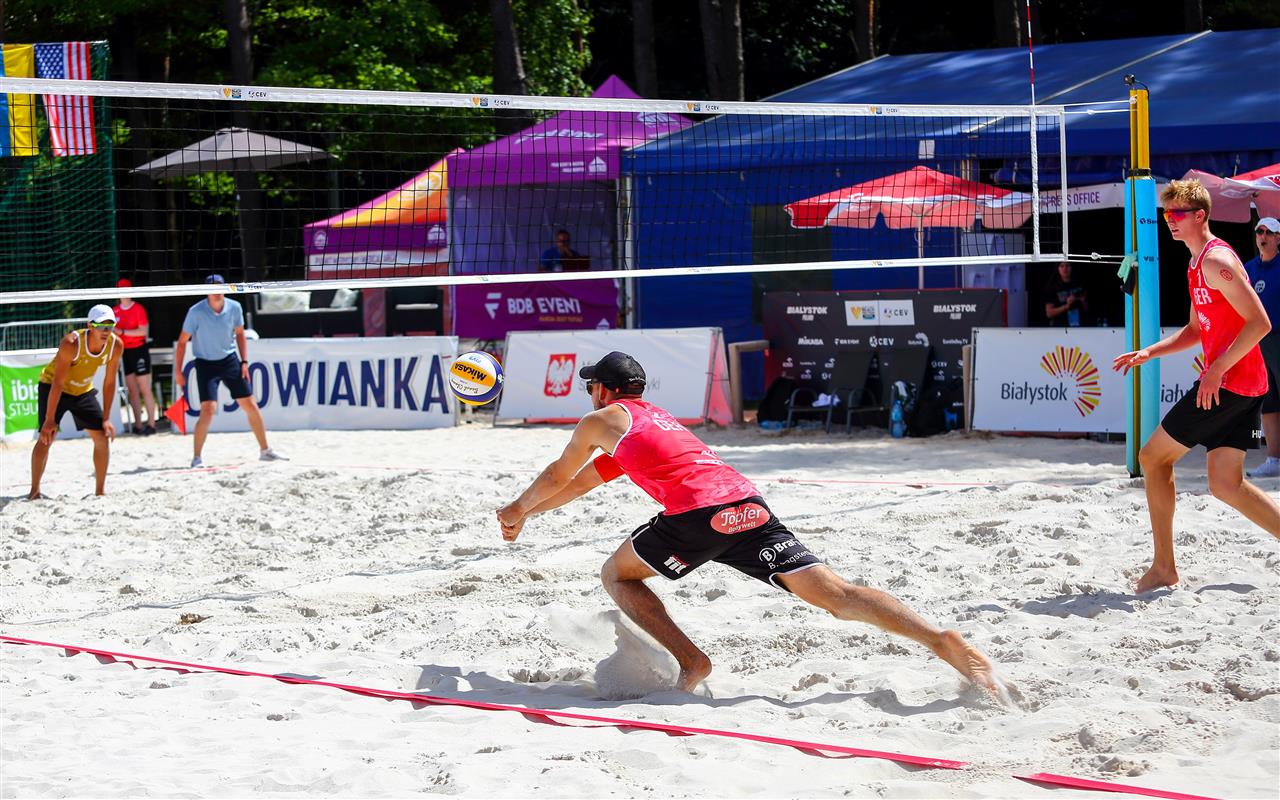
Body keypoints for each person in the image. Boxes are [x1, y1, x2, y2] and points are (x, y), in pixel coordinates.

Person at [496, 351, 999, 696]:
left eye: (591, 385)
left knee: (616, 575)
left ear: (605, 390)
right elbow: (581, 484)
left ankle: (692, 661)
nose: (589, 392)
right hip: (747, 505)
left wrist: (517, 508)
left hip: (697, 515)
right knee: (839, 596)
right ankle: (941, 640)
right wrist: (527, 515)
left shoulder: (602, 419)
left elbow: (560, 474)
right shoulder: (657, 422)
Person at [1112, 180, 1280, 593]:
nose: (1169, 220)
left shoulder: (1215, 260)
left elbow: (1260, 323)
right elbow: (1194, 330)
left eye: (1176, 214)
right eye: (1166, 214)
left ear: (1199, 215)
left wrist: (1217, 370)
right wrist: (1149, 352)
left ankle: (1164, 568)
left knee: (1153, 458)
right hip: (1242, 382)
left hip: (1230, 383)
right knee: (1226, 484)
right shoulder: (1195, 263)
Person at [174, 274, 286, 468]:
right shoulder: (196, 312)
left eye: (220, 286)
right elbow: (182, 342)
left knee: (250, 405)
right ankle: (197, 458)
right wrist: (178, 371)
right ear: (206, 290)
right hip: (205, 363)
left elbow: (240, 334)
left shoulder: (234, 307)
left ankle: (265, 450)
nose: (217, 290)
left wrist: (244, 361)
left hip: (229, 360)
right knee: (208, 410)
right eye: (213, 287)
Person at [29, 304, 123, 499]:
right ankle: (34, 491)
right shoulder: (71, 343)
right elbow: (58, 382)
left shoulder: (116, 345)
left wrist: (106, 418)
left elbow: (110, 382)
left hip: (82, 391)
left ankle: (100, 492)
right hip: (54, 387)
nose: (106, 331)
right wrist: (49, 419)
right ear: (90, 326)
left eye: (110, 326)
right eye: (101, 326)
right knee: (46, 438)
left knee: (102, 437)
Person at [1244, 217, 1280, 478]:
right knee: (1268, 403)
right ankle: (1274, 459)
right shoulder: (1247, 269)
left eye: (1269, 232)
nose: (1263, 236)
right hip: (1257, 342)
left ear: (1278, 238)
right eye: (1259, 231)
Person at [113, 278, 158, 436]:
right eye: (121, 290)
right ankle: (138, 425)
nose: (123, 293)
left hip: (139, 350)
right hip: (124, 352)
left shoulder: (138, 309)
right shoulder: (114, 311)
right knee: (132, 390)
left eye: (126, 290)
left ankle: (151, 424)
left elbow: (142, 331)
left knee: (145, 388)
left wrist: (122, 332)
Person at [1044, 261, 1088, 327]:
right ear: (1058, 268)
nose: (1065, 268)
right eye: (1062, 266)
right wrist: (1067, 306)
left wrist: (1083, 301)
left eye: (1067, 265)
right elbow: (1049, 313)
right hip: (1060, 326)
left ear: (1072, 267)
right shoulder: (1052, 287)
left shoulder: (1079, 284)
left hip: (1078, 325)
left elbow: (1087, 310)